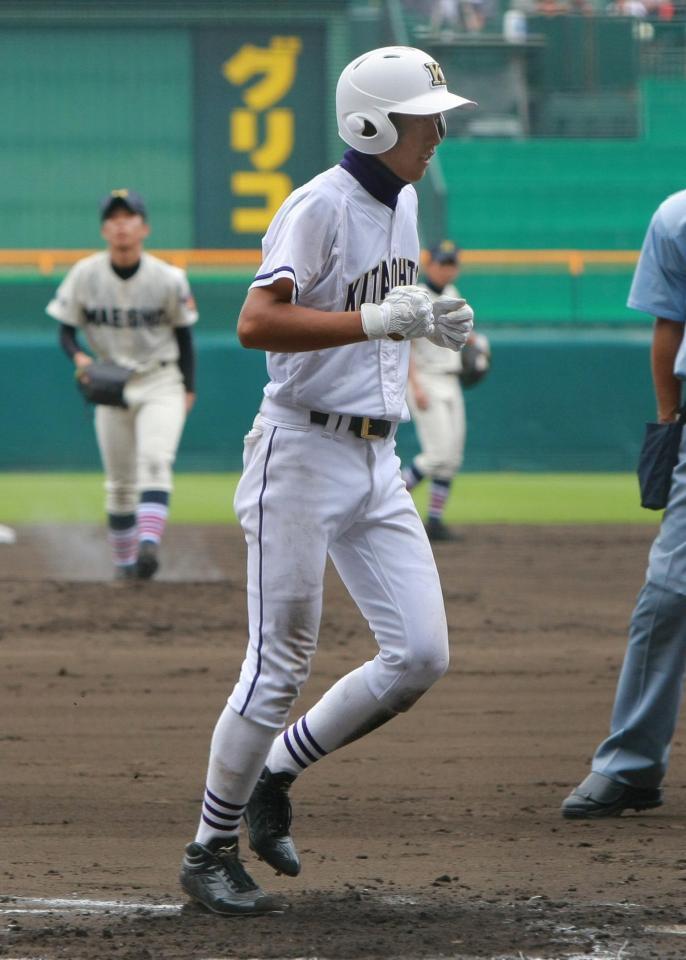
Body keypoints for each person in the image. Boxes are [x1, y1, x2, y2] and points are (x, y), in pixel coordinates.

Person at [179, 45, 477, 917]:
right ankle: (207, 850)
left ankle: (276, 773)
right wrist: (376, 317)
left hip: (378, 458)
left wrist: (425, 319)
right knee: (278, 666)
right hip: (301, 453)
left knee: (421, 653)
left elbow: (386, 308)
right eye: (427, 117)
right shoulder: (317, 205)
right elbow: (256, 322)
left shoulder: (408, 199)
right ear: (374, 123)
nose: (440, 130)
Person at [561, 189, 686, 819]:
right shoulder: (677, 217)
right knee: (667, 593)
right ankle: (632, 766)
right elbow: (670, 323)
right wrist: (669, 422)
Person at [47, 189, 197, 581]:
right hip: (112, 384)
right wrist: (80, 358)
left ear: (143, 227)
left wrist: (188, 389)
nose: (120, 224)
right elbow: (65, 331)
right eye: (112, 218)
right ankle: (126, 569)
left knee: (154, 461)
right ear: (103, 230)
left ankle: (148, 546)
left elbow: (184, 337)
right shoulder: (85, 274)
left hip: (161, 378)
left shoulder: (168, 277)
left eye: (128, 217)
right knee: (118, 484)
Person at [402, 240, 469, 542]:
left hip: (451, 380)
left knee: (452, 457)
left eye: (451, 263)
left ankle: (435, 522)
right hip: (425, 380)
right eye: (442, 263)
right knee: (437, 454)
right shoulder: (416, 297)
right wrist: (414, 385)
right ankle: (387, 500)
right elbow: (405, 346)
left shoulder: (454, 295)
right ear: (429, 264)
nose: (447, 269)